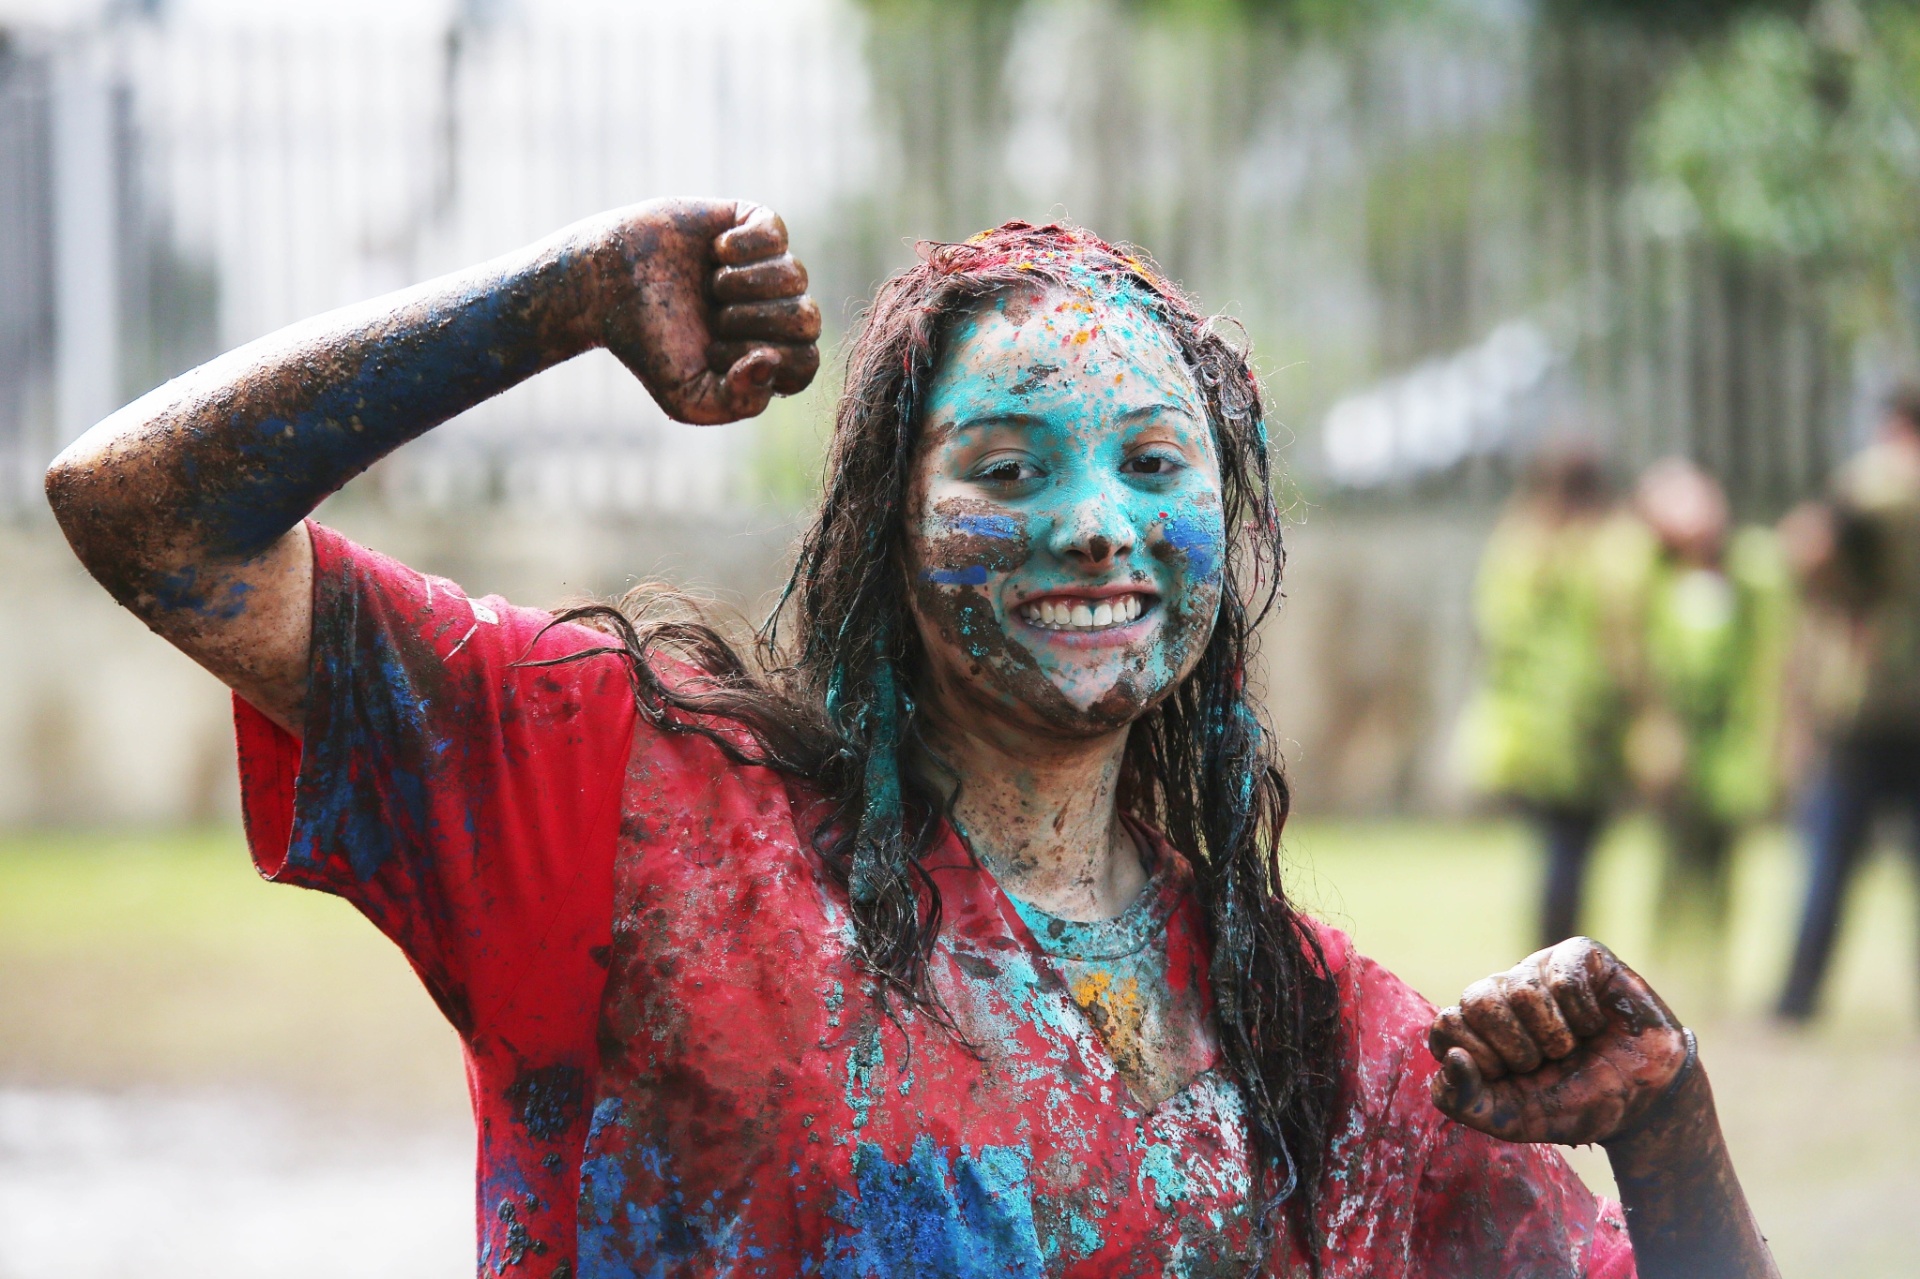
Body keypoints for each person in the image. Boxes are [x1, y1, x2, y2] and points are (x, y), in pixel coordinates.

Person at [46, 201, 1776, 1276]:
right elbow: (143, 506)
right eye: (1012, 467)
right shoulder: (625, 804)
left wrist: (1671, 1126)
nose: (1098, 524)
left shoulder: (1327, 1042)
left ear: (1228, 533)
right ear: (889, 518)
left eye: (1156, 467)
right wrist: (557, 298)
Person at [1458, 445, 1650, 949]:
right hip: (1586, 728)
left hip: (1526, 731)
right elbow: (1623, 645)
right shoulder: (1609, 551)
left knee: (1554, 851)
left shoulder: (1516, 544)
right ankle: (1564, 959)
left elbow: (1495, 632)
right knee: (1574, 852)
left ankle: (1549, 957)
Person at [1776, 385, 1920, 1021]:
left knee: (1829, 860)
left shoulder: (1872, 484)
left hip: (1865, 701)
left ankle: (1798, 1000)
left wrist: (1843, 598)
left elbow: (1808, 549)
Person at [1625, 459, 1789, 999]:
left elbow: (1770, 660)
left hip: (1731, 744)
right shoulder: (1650, 576)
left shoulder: (1750, 573)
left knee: (1724, 864)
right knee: (1671, 862)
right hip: (1675, 743)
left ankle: (1713, 963)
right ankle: (1663, 965)